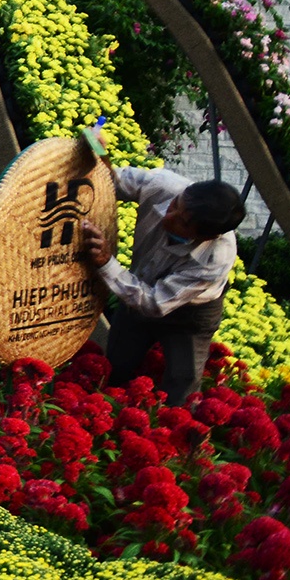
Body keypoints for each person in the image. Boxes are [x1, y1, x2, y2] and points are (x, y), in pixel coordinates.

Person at [79, 160, 246, 406]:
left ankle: (171, 423)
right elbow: (108, 182)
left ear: (207, 236)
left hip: (191, 314)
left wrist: (106, 262)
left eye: (183, 223)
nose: (169, 216)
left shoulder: (216, 257)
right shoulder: (163, 185)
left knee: (182, 385)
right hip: (137, 289)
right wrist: (98, 157)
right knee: (116, 366)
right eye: (176, 204)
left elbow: (154, 303)